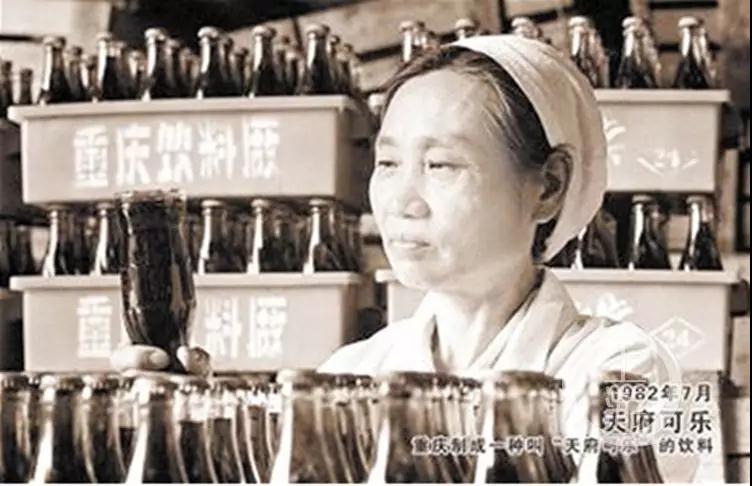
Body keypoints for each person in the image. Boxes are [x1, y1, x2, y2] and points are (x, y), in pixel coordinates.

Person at [112, 34, 682, 479]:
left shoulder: (623, 370)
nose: (402, 201)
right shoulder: (351, 373)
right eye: (387, 164)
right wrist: (194, 429)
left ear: (548, 187)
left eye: (441, 165)